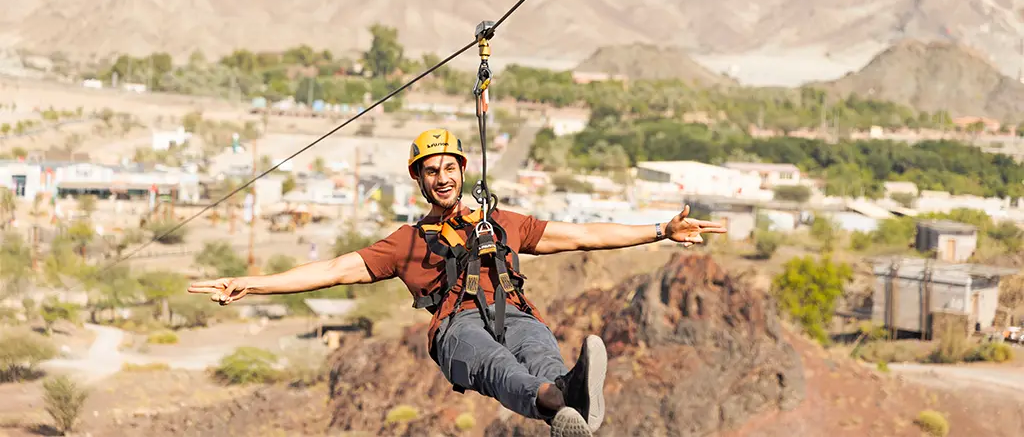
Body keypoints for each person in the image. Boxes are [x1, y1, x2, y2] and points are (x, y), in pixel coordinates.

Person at [188, 128, 728, 437]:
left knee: (537, 347)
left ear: (462, 171)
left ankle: (569, 397)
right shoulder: (406, 242)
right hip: (455, 328)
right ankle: (557, 402)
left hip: (515, 311)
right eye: (431, 170)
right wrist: (250, 285)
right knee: (496, 367)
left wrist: (661, 230)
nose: (442, 176)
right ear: (419, 180)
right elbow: (331, 270)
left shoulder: (503, 224)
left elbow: (582, 233)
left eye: (449, 166)